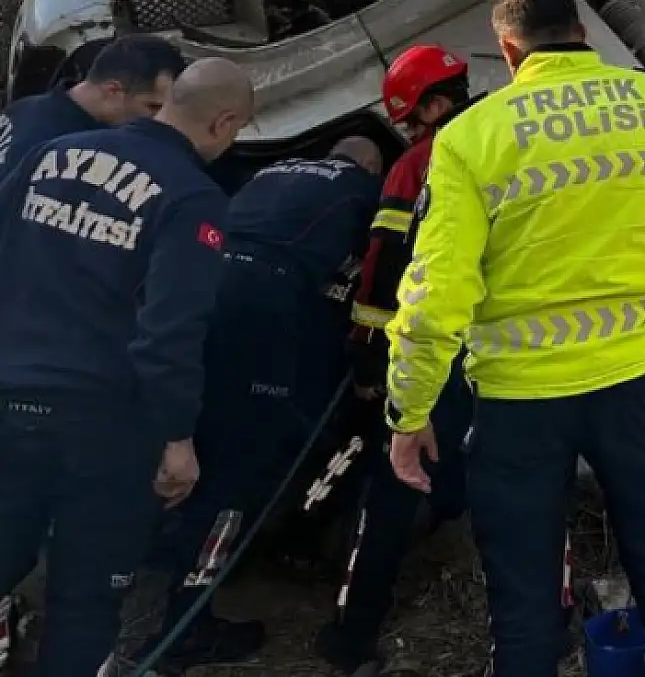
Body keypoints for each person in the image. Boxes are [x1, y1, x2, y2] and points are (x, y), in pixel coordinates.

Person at [385, 0, 645, 677]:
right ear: (582, 34)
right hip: (636, 387)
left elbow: (436, 295)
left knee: (523, 600)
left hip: (518, 406)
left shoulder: (469, 138)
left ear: (507, 49)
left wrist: (411, 411)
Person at [0, 59, 254, 677]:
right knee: (85, 598)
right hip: (105, 424)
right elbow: (171, 331)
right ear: (223, 123)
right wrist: (177, 438)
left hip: (9, 398)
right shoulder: (193, 198)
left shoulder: (51, 154)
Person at [145, 138, 384, 671]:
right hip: (263, 303)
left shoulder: (270, 174)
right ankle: (187, 624)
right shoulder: (363, 190)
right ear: (369, 165)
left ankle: (159, 550)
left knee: (191, 432)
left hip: (203, 287)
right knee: (238, 467)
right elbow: (372, 278)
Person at [316, 47, 479, 673]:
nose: (411, 133)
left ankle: (351, 636)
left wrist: (366, 362)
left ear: (434, 105)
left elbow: (383, 272)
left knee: (392, 487)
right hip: (511, 355)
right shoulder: (512, 145)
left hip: (432, 353)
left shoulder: (418, 165)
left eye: (413, 120)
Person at [0, 34, 185, 177]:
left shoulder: (23, 109)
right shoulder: (59, 147)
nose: (161, 118)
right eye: (153, 106)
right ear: (113, 91)